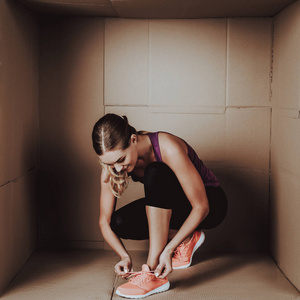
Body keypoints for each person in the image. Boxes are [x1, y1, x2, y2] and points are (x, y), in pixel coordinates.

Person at [92, 113, 227, 299]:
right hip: (176, 207)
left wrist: (169, 249)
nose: (116, 169)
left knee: (155, 172)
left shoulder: (167, 146)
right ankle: (187, 239)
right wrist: (124, 256)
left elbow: (201, 206)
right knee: (119, 221)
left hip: (211, 204)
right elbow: (104, 222)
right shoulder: (113, 166)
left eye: (121, 160)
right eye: (109, 163)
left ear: (132, 139)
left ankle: (153, 273)